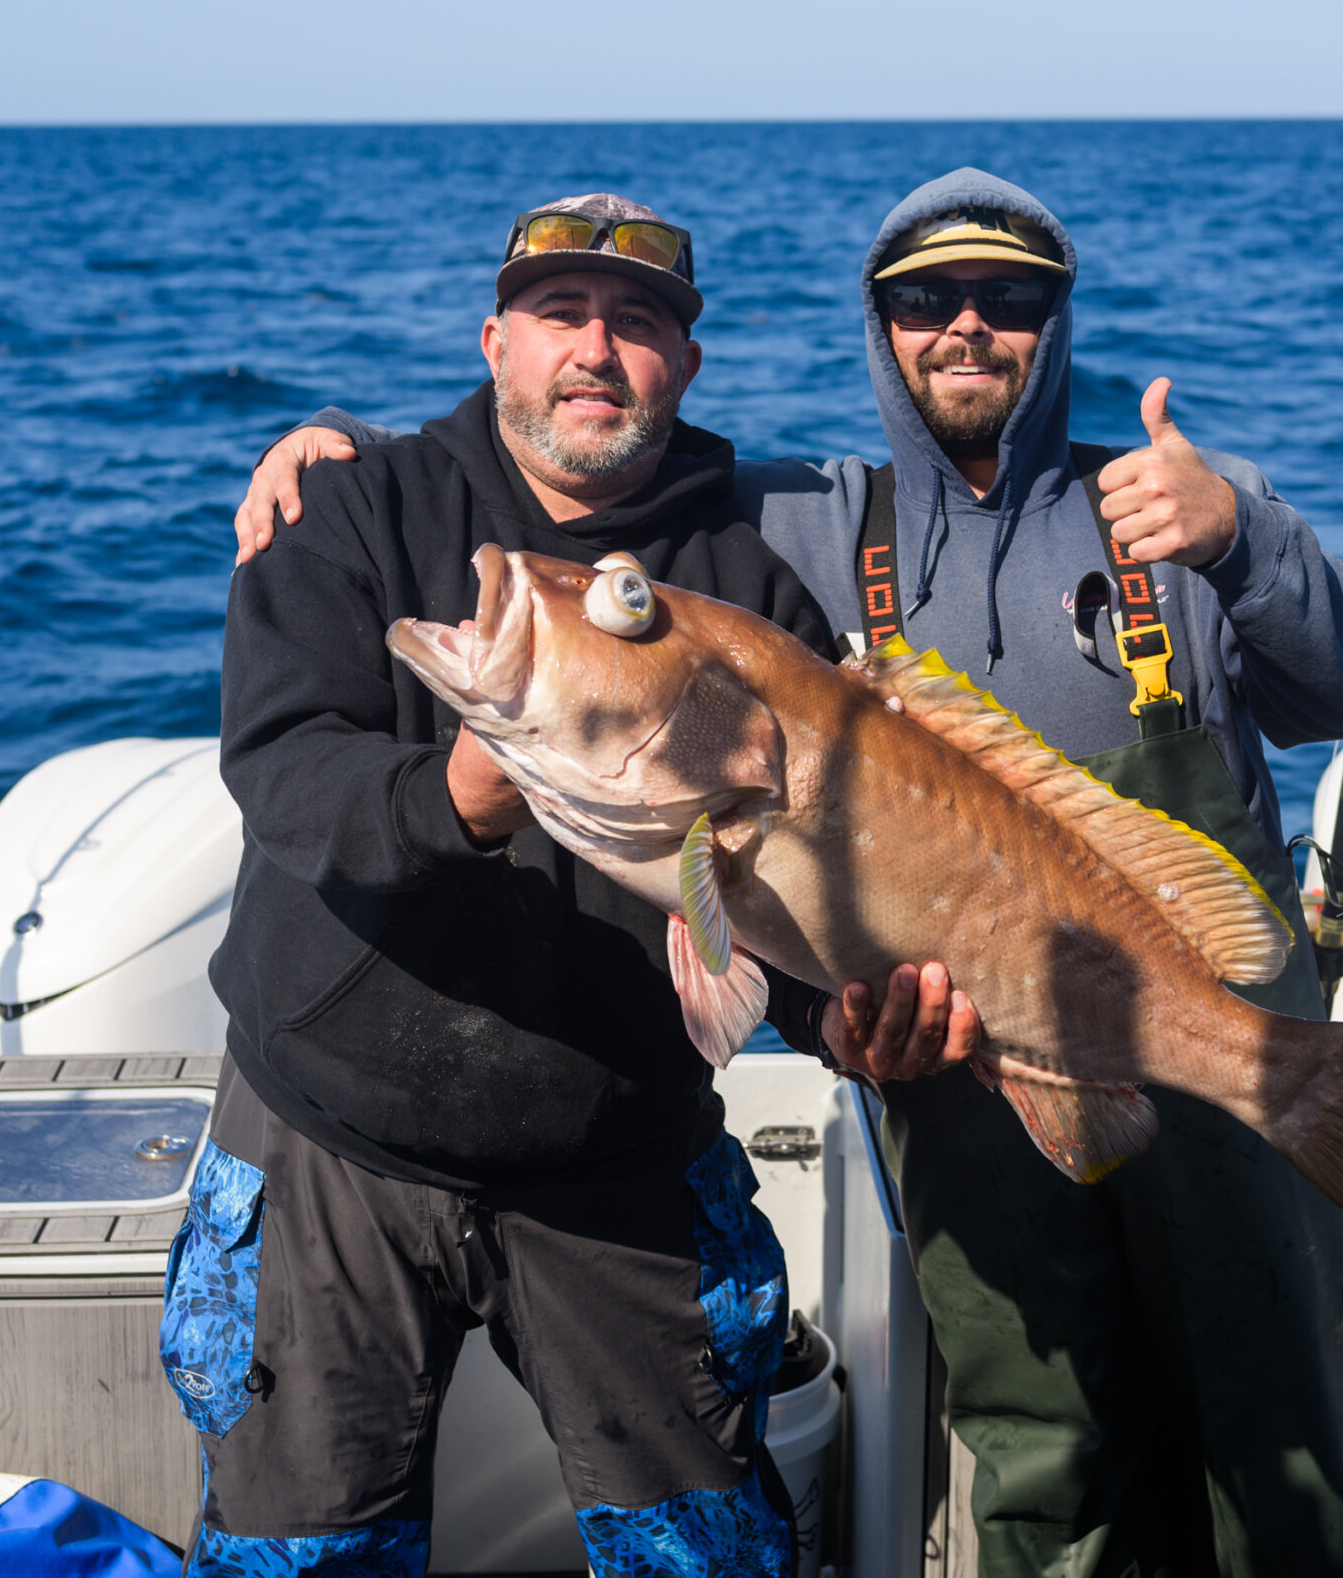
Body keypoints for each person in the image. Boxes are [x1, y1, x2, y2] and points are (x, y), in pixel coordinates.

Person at [243, 171, 1343, 1576]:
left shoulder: (1163, 503)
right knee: (1046, 1446)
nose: (964, 328)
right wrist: (337, 446)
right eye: (924, 300)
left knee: (1285, 1444)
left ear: (1056, 321)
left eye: (1009, 298)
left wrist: (1241, 534)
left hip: (1201, 1034)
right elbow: (584, 467)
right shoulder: (801, 512)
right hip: (972, 1087)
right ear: (879, 327)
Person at [187, 193, 969, 1578]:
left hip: (618, 1164)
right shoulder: (349, 507)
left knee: (711, 1554)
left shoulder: (748, 592)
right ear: (496, 341)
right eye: (560, 315)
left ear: (687, 365)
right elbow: (283, 768)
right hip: (330, 1143)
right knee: (294, 1558)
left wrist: (837, 1021)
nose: (596, 350)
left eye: (641, 323)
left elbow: (767, 884)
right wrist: (457, 796)